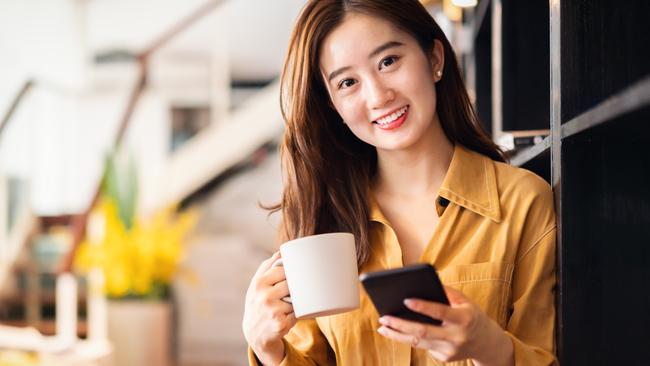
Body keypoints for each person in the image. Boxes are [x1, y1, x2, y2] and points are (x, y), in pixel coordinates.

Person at [242, 0, 557, 365]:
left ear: (435, 58)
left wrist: (488, 345)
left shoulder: (522, 201)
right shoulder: (318, 221)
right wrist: (269, 351)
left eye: (388, 61)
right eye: (348, 82)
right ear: (333, 106)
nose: (378, 96)